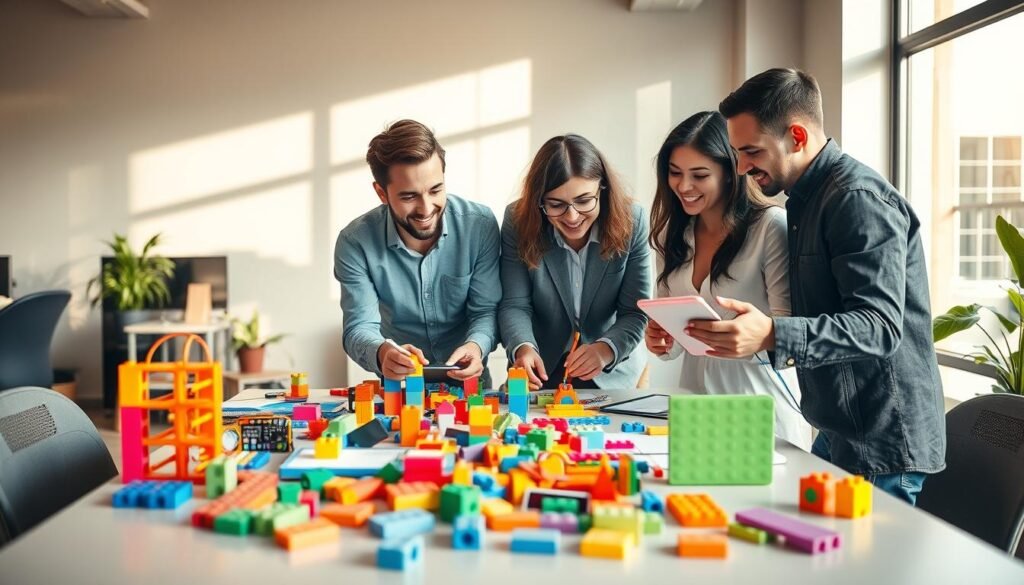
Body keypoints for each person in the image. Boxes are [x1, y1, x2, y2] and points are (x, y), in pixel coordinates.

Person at [687, 68, 945, 504]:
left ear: (797, 137)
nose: (743, 167)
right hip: (838, 428)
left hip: (881, 440)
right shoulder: (807, 200)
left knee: (863, 572)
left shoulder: (856, 199)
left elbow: (879, 326)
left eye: (752, 151)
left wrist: (770, 333)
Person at [644, 111, 811, 450]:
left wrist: (752, 338)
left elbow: (791, 330)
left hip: (760, 405)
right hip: (694, 406)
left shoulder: (770, 227)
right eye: (675, 173)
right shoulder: (671, 235)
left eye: (699, 175)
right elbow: (674, 347)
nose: (684, 186)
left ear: (731, 171)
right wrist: (661, 339)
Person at [334, 119, 501, 385]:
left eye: (436, 190)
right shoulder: (355, 242)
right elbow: (359, 327)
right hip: (398, 387)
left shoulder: (479, 225)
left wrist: (476, 346)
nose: (426, 209)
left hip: (472, 388)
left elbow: (485, 311)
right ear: (381, 193)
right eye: (409, 197)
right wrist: (381, 352)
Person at [499, 134, 651, 390]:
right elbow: (515, 304)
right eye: (556, 204)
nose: (572, 216)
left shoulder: (632, 221)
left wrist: (605, 349)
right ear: (539, 201)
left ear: (602, 189)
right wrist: (523, 347)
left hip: (614, 370)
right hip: (542, 365)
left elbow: (635, 312)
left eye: (583, 201)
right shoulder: (518, 219)